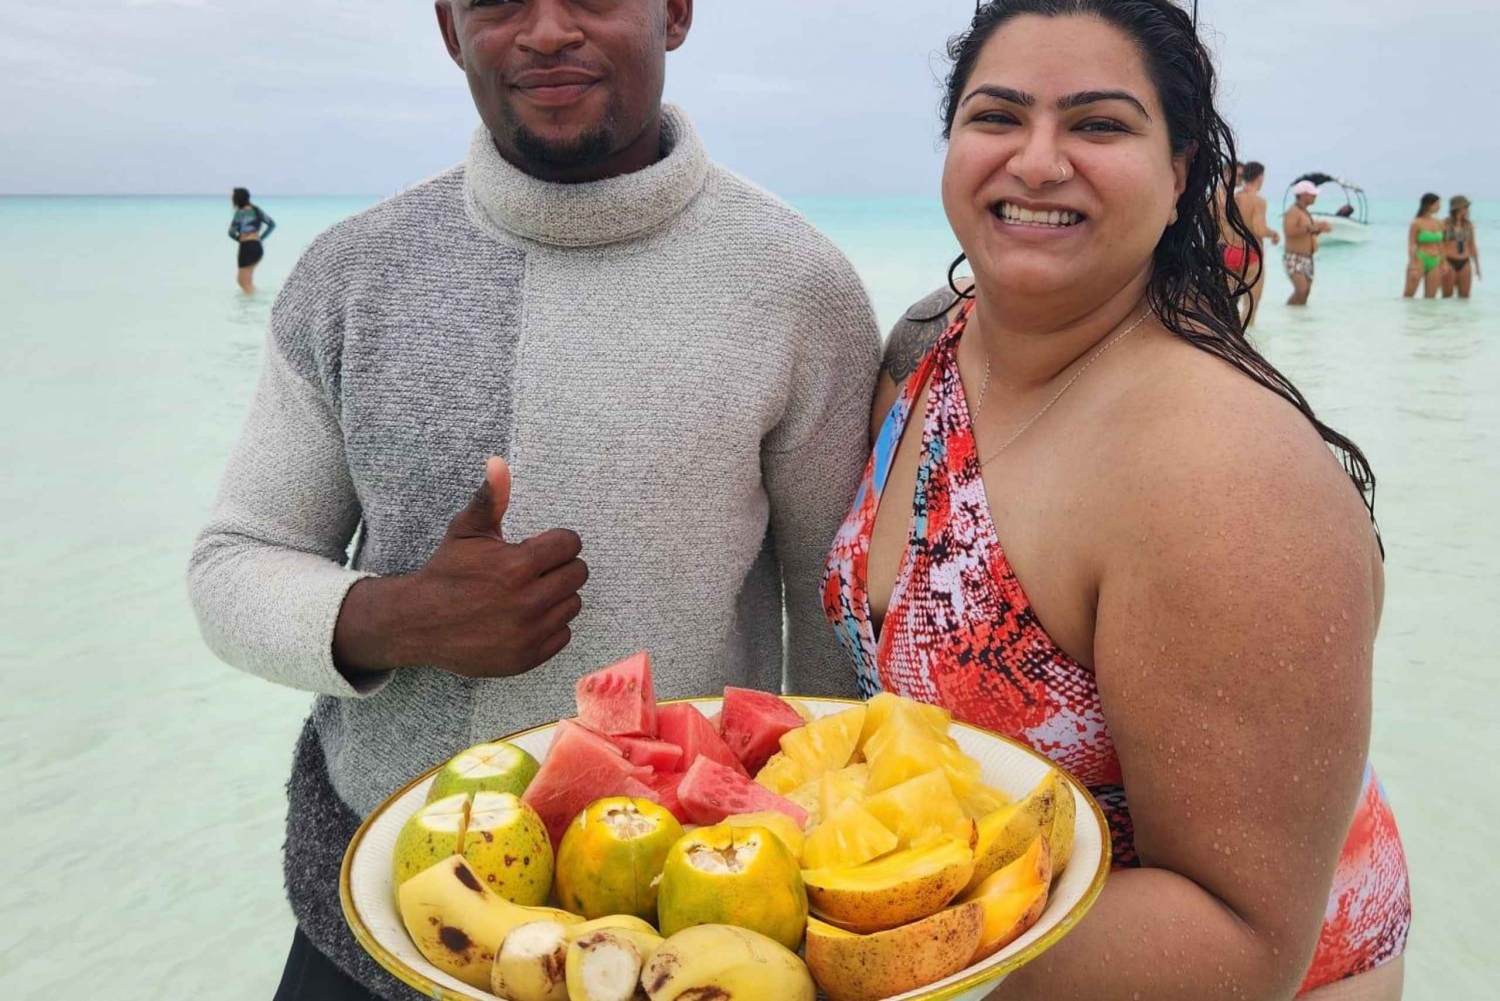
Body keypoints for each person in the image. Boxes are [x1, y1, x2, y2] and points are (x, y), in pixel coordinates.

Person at [187, 1, 880, 998]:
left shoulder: (799, 286)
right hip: (379, 907)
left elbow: (831, 624)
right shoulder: (351, 272)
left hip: (688, 926)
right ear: (449, 27)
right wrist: (396, 617)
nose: (547, 29)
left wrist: (822, 893)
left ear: (676, 12)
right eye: (501, 1)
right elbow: (233, 561)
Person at [824, 2, 1409, 999]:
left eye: (1099, 124)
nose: (1039, 160)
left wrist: (805, 956)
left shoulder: (1227, 471)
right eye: (997, 116)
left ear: (1181, 170)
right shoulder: (928, 348)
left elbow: (1239, 937)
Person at [1227, 161, 1280, 327]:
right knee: (1250, 308)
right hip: (1251, 255)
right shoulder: (1258, 201)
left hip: (1231, 252)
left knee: (1228, 305)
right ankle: (1245, 345)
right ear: (1259, 177)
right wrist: (1274, 234)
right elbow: (1259, 229)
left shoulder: (1234, 198)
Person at [1284, 179, 1332, 306]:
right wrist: (1313, 227)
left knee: (1305, 294)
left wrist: (1320, 229)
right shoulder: (1293, 211)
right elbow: (1289, 232)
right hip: (1295, 257)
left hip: (1307, 258)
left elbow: (1306, 234)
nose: (1315, 196)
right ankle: (1288, 311)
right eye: (1312, 194)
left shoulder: (1304, 212)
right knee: (1301, 290)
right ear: (1303, 194)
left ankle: (1299, 321)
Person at [229, 187, 276, 294]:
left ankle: (251, 306)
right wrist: (261, 238)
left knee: (243, 282)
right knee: (246, 282)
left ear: (237, 199)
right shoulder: (256, 210)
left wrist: (239, 239)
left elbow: (231, 232)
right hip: (257, 246)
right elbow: (272, 224)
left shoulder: (240, 213)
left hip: (246, 247)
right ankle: (256, 304)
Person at [1404, 193, 1447, 299]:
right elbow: (1411, 245)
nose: (1439, 206)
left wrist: (1444, 262)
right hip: (1420, 258)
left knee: (1431, 300)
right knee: (1408, 297)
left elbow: (1441, 244)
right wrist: (1412, 264)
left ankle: (1426, 316)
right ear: (1428, 205)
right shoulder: (1416, 223)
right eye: (1437, 204)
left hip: (1435, 260)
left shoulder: (1439, 223)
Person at [1442, 194, 1481, 298]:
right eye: (1465, 207)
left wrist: (1477, 266)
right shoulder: (1444, 224)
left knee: (1465, 297)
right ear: (1458, 208)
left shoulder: (1468, 225)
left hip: (1465, 262)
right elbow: (1439, 245)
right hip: (1449, 261)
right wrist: (1443, 262)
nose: (1467, 210)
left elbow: (1472, 245)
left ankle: (1461, 315)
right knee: (1447, 296)